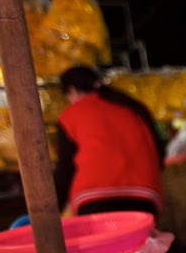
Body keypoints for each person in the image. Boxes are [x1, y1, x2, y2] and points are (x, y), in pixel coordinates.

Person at [54, 65, 166, 218]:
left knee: (102, 242)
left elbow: (65, 167)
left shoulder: (70, 116)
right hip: (145, 196)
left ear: (72, 90)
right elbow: (159, 153)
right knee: (141, 242)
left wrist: (54, 207)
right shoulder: (133, 108)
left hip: (93, 198)